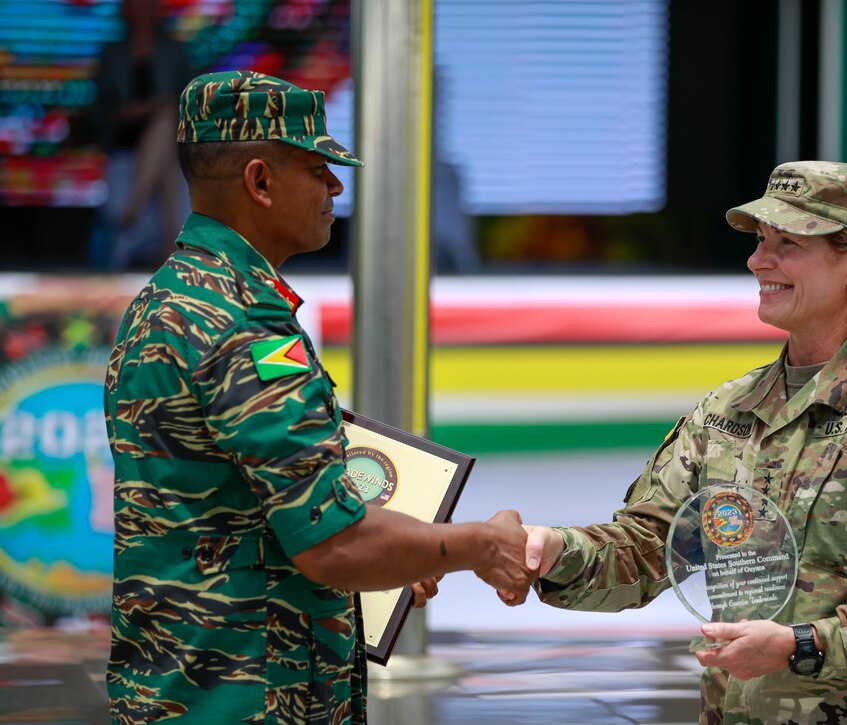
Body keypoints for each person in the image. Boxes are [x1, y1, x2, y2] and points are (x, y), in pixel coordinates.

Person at [103, 70, 532, 723]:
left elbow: (257, 511)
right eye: (318, 168)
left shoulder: (168, 300)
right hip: (248, 698)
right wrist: (479, 545)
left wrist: (410, 544)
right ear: (260, 182)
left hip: (185, 688)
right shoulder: (241, 325)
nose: (335, 186)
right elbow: (332, 546)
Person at [519, 161, 847, 724]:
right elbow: (648, 549)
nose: (757, 260)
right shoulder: (728, 410)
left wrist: (803, 645)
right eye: (761, 241)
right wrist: (553, 551)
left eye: (788, 243)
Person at [91, 0, 192, 269]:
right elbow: (101, 109)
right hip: (125, 136)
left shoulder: (176, 50)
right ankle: (171, 243)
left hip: (169, 133)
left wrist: (156, 107)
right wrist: (131, 112)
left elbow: (190, 101)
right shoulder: (112, 53)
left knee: (166, 121)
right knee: (166, 139)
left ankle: (134, 204)